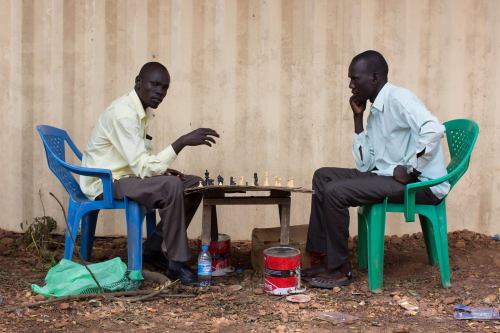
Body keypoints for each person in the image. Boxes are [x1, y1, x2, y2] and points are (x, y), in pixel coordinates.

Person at [304, 50, 450, 289]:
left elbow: (434, 129)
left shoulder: (399, 98)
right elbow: (366, 166)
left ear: (375, 76)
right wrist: (358, 120)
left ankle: (339, 270)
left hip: (421, 184)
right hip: (387, 175)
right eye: (350, 79)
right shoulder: (375, 110)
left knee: (336, 192)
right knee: (323, 177)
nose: (351, 85)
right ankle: (323, 258)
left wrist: (412, 169)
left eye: (355, 78)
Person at [81, 62, 219, 285]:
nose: (160, 92)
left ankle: (153, 249)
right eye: (154, 84)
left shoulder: (141, 113)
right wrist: (182, 142)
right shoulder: (123, 114)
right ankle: (177, 263)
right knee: (171, 186)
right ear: (138, 82)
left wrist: (164, 170)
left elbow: (142, 158)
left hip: (128, 176)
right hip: (106, 181)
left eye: (164, 88)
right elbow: (143, 167)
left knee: (194, 184)